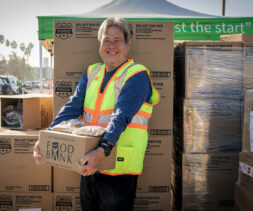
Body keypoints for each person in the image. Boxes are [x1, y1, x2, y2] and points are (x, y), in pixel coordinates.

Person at [34, 17, 160, 211]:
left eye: (117, 40)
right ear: (99, 44)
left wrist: (102, 150)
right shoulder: (92, 72)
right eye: (106, 40)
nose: (111, 45)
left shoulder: (137, 74)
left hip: (118, 169)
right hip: (88, 165)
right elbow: (72, 107)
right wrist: (47, 138)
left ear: (128, 44)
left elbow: (121, 115)